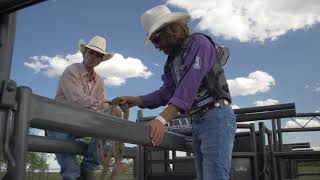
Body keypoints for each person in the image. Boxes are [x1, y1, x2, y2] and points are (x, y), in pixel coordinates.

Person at [112, 5, 236, 180]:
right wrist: (138, 100)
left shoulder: (200, 43)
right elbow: (167, 92)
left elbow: (189, 84)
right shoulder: (172, 61)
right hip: (199, 121)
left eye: (156, 40)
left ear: (170, 31)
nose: (156, 47)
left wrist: (161, 119)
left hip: (216, 116)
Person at [47, 35, 114, 180]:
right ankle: (80, 173)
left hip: (81, 123)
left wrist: (108, 108)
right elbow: (77, 100)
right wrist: (104, 105)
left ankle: (88, 168)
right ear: (84, 52)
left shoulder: (99, 81)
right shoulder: (71, 71)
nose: (94, 57)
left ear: (101, 60)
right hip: (58, 121)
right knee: (71, 170)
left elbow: (102, 108)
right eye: (91, 52)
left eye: (99, 55)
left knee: (106, 123)